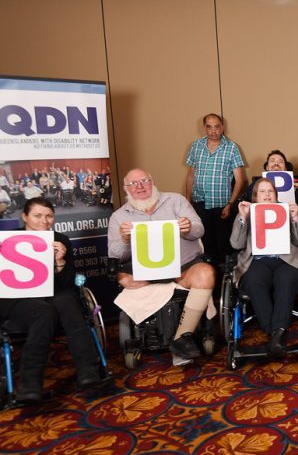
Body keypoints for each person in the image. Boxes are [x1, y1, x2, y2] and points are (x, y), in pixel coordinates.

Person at [0, 198, 103, 403]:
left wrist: (60, 261)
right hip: (21, 297)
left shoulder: (60, 239)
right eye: (37, 215)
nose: (44, 221)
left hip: (57, 292)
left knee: (68, 303)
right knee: (44, 312)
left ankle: (88, 371)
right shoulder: (9, 240)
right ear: (25, 216)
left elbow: (68, 282)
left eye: (49, 216)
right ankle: (29, 385)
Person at [109, 169, 216, 362]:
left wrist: (188, 228)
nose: (140, 186)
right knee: (124, 278)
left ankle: (183, 337)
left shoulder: (176, 201)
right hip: (145, 271)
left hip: (184, 265)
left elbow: (200, 229)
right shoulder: (118, 216)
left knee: (206, 273)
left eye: (144, 181)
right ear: (126, 189)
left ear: (152, 181)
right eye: (133, 184)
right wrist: (125, 239)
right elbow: (115, 255)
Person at [230, 178, 298, 353]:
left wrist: (296, 218)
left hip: (286, 259)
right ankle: (276, 333)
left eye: (270, 191)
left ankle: (276, 333)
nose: (267, 195)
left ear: (276, 195)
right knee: (253, 281)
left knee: (286, 280)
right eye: (262, 191)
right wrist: (243, 218)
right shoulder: (248, 212)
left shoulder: (285, 210)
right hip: (258, 260)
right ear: (255, 197)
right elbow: (236, 244)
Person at [185, 113, 246, 267]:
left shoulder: (231, 148)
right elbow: (191, 175)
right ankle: (208, 279)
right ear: (204, 128)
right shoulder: (196, 146)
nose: (213, 130)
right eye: (209, 127)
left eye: (217, 126)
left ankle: (223, 281)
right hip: (200, 203)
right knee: (205, 245)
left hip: (222, 206)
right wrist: (188, 202)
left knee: (223, 246)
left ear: (222, 128)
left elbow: (240, 180)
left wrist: (230, 204)